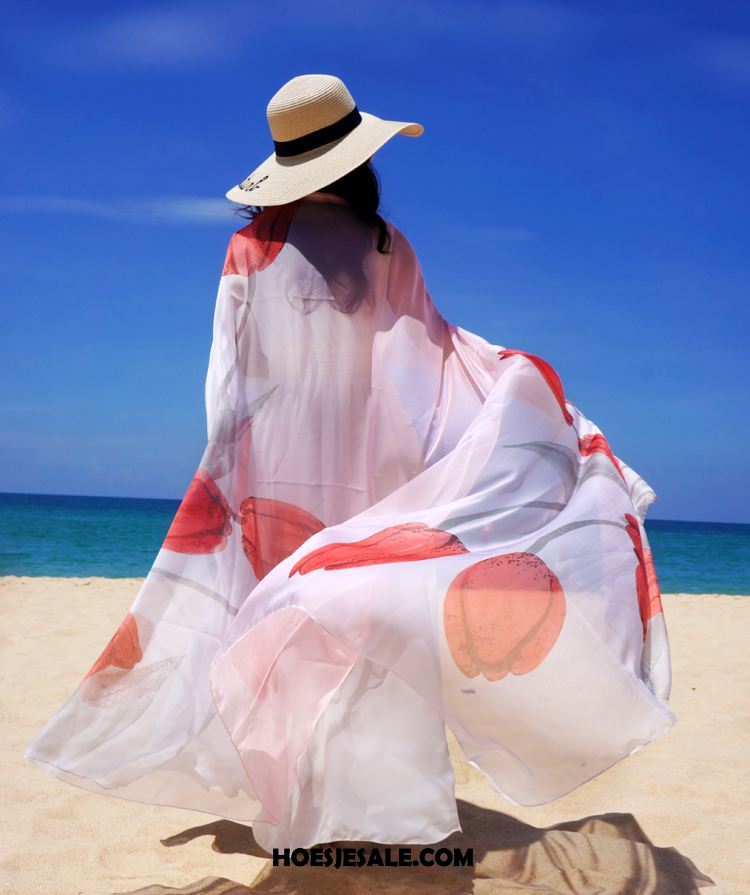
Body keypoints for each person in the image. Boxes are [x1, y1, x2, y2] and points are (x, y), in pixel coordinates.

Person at [24, 74, 675, 852]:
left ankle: (295, 812)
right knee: (363, 625)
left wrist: (231, 468)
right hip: (375, 466)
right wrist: (499, 401)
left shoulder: (251, 245)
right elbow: (426, 363)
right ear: (358, 158)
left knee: (277, 622)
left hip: (276, 469)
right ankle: (388, 813)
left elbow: (230, 381)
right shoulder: (385, 245)